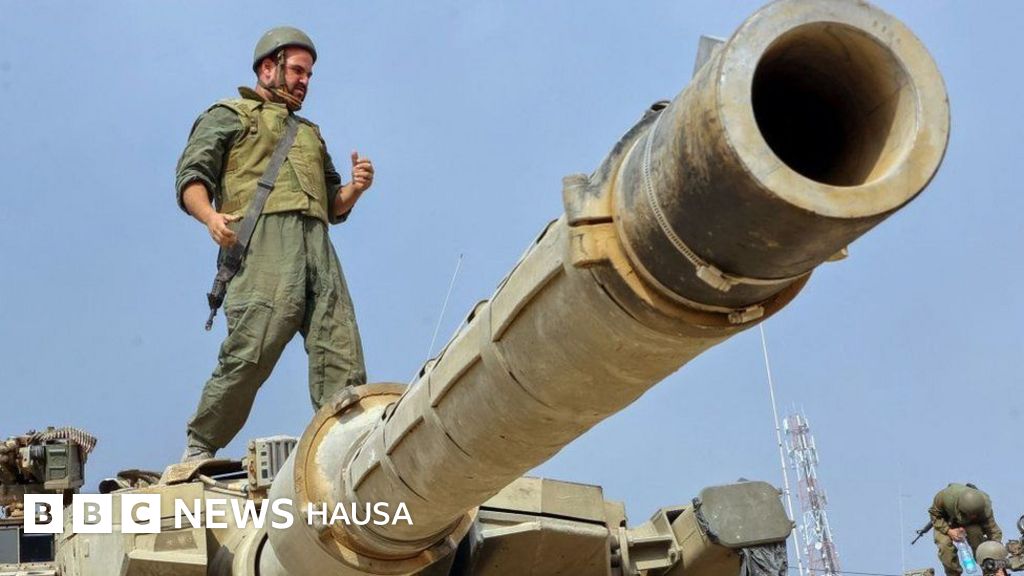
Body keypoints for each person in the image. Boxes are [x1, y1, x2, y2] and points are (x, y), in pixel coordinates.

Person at [175, 26, 373, 461]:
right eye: (298, 71)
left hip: (316, 242)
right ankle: (201, 443)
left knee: (338, 342)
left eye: (309, 75)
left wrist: (356, 189)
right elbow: (192, 176)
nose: (305, 81)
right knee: (254, 344)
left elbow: (333, 204)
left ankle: (346, 445)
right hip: (262, 242)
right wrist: (210, 217)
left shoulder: (309, 133)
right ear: (269, 68)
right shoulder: (229, 115)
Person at [930, 483, 1003, 576]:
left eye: (976, 515)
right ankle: (953, 574)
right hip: (946, 522)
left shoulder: (985, 507)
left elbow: (994, 532)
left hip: (970, 525)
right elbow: (934, 514)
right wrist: (948, 531)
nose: (974, 516)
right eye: (971, 514)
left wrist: (997, 564)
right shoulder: (945, 497)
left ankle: (989, 572)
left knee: (976, 535)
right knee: (944, 545)